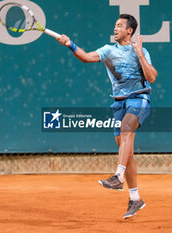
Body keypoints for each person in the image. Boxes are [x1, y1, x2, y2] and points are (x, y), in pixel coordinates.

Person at [57, 14, 158, 219]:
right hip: (118, 103)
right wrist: (70, 44)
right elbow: (86, 57)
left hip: (138, 99)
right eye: (115, 25)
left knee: (127, 127)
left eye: (120, 26)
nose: (115, 29)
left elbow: (152, 77)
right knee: (125, 150)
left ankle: (118, 177)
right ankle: (136, 198)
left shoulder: (142, 51)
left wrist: (139, 53)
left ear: (130, 30)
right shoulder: (108, 50)